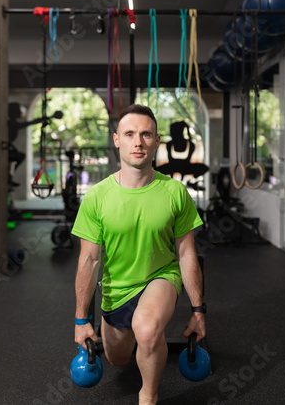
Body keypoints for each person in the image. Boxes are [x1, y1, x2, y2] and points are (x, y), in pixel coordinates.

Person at [72, 104, 206, 405]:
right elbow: (89, 260)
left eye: (146, 134)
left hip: (161, 276)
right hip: (116, 287)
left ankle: (148, 396)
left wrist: (199, 311)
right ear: (117, 139)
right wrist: (81, 319)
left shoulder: (174, 192)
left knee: (146, 331)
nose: (138, 142)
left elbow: (186, 255)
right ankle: (134, 337)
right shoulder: (97, 197)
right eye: (130, 134)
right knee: (118, 359)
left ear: (156, 141)